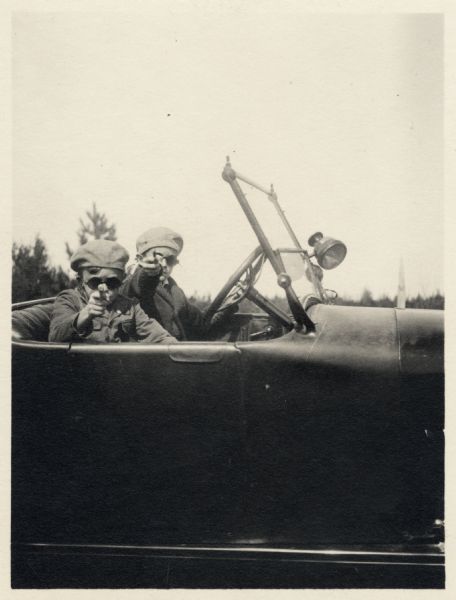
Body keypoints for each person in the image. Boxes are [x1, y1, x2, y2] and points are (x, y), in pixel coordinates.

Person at [49, 239, 177, 344]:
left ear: (121, 281)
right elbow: (55, 337)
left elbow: (159, 337)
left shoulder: (130, 307)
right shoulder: (68, 300)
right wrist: (86, 314)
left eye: (112, 283)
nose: (104, 289)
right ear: (80, 281)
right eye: (95, 283)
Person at [121, 227, 209, 341]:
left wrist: (227, 304)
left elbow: (199, 321)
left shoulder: (176, 291)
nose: (164, 264)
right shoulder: (132, 285)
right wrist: (149, 273)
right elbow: (142, 284)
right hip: (147, 354)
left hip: (174, 352)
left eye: (170, 260)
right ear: (140, 259)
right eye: (157, 258)